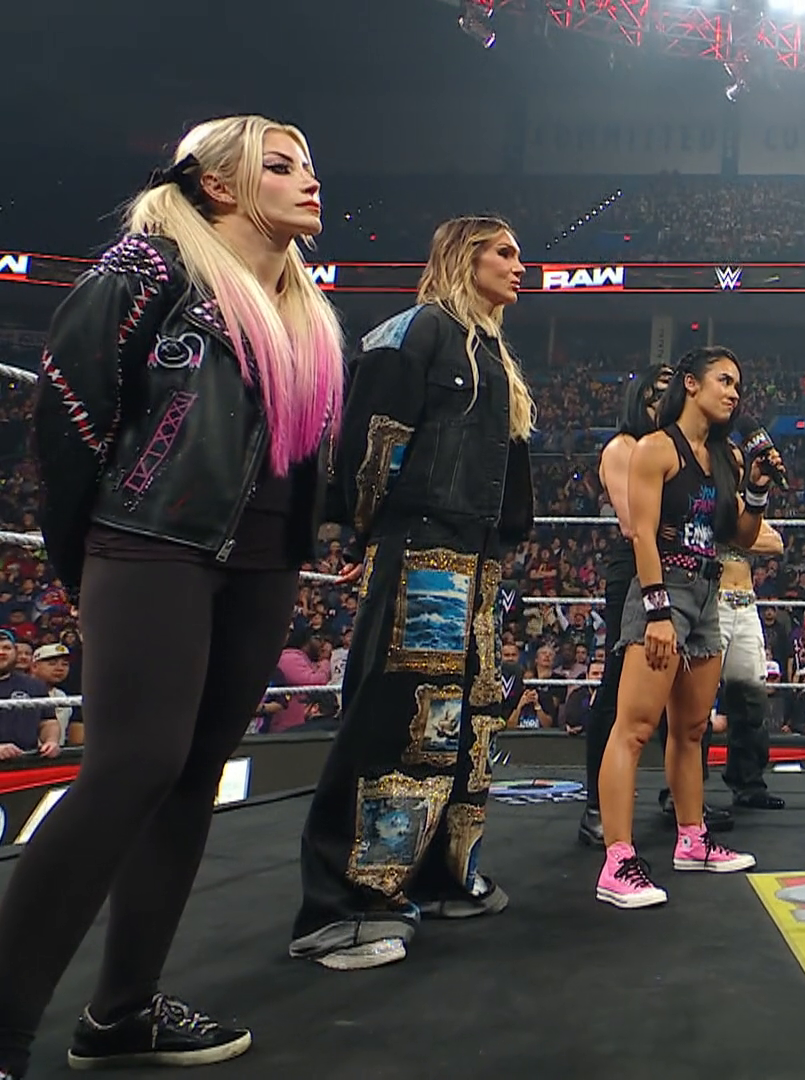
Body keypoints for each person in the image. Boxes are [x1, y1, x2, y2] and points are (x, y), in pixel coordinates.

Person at [1, 114, 345, 1074]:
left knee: (192, 774)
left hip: (264, 555)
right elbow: (70, 414)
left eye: (310, 165)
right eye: (281, 165)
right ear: (220, 185)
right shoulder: (149, 268)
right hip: (152, 538)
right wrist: (87, 557)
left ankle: (121, 1013)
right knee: (133, 765)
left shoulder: (303, 305)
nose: (310, 180)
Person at [291, 215, 536, 971]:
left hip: (477, 561)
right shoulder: (417, 331)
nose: (520, 266)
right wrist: (365, 533)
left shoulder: (492, 352)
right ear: (464, 257)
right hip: (422, 549)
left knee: (466, 727)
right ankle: (343, 906)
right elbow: (372, 441)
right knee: (394, 722)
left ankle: (437, 876)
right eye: (504, 252)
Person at [596, 346, 781, 908]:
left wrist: (756, 489)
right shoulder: (656, 448)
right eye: (724, 380)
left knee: (693, 729)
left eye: (738, 385)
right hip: (665, 591)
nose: (734, 393)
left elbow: (740, 538)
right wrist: (656, 611)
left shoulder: (725, 458)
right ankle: (617, 860)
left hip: (708, 590)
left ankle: (692, 840)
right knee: (634, 728)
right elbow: (642, 534)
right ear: (692, 385)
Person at [579, 364, 674, 846]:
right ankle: (597, 806)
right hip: (634, 570)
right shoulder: (623, 448)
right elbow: (635, 522)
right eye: (658, 395)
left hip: (677, 566)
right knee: (618, 681)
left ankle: (682, 795)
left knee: (680, 685)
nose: (666, 404)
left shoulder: (673, 451)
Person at [717, 522, 786, 810]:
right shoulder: (701, 502)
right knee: (694, 702)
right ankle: (682, 791)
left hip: (746, 606)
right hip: (711, 600)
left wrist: (728, 535)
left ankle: (748, 783)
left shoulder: (742, 511)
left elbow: (776, 543)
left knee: (751, 700)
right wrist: (744, 538)